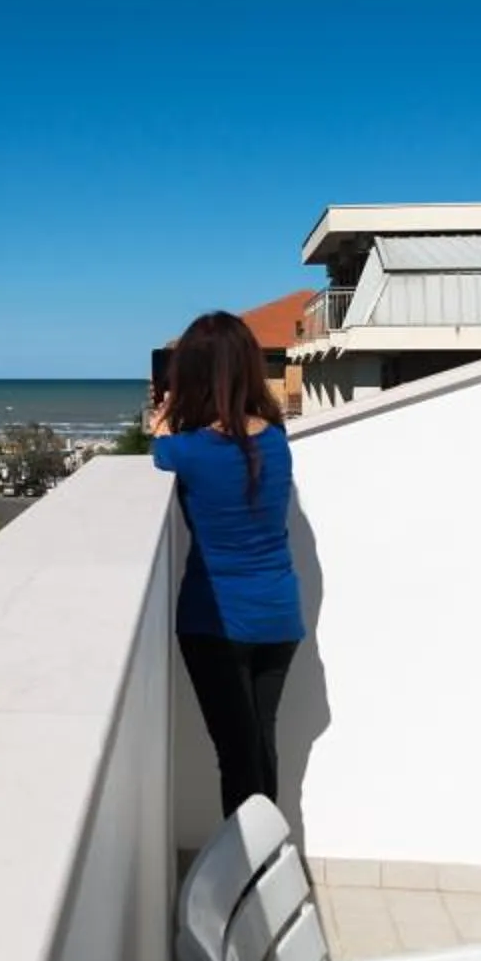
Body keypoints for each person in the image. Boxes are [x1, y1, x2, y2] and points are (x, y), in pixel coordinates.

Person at [149, 310, 305, 818]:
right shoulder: (276, 441)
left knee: (237, 758)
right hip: (278, 615)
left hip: (215, 621)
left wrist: (162, 422)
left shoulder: (187, 451)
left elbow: (163, 453)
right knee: (260, 745)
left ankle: (247, 863)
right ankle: (267, 856)